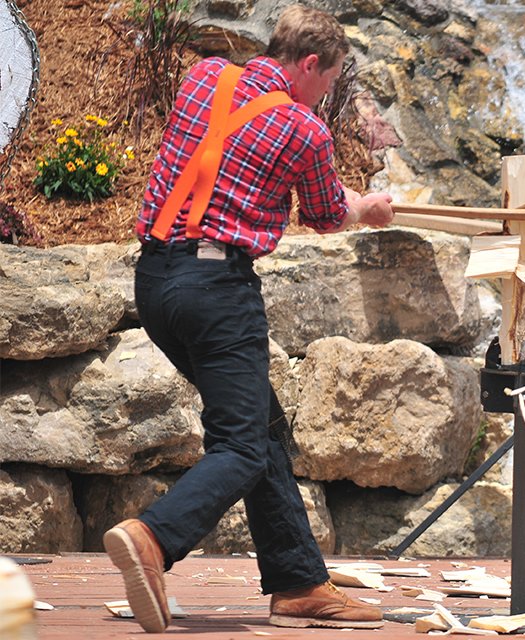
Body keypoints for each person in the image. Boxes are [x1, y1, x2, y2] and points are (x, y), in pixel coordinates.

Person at [103, 4, 394, 633]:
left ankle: (298, 584)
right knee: (240, 444)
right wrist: (366, 208)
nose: (326, 97)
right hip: (216, 289)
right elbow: (325, 214)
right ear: (309, 64)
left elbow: (222, 160)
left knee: (260, 429)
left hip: (155, 280)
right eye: (328, 82)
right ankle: (153, 537)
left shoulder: (205, 76)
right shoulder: (303, 128)